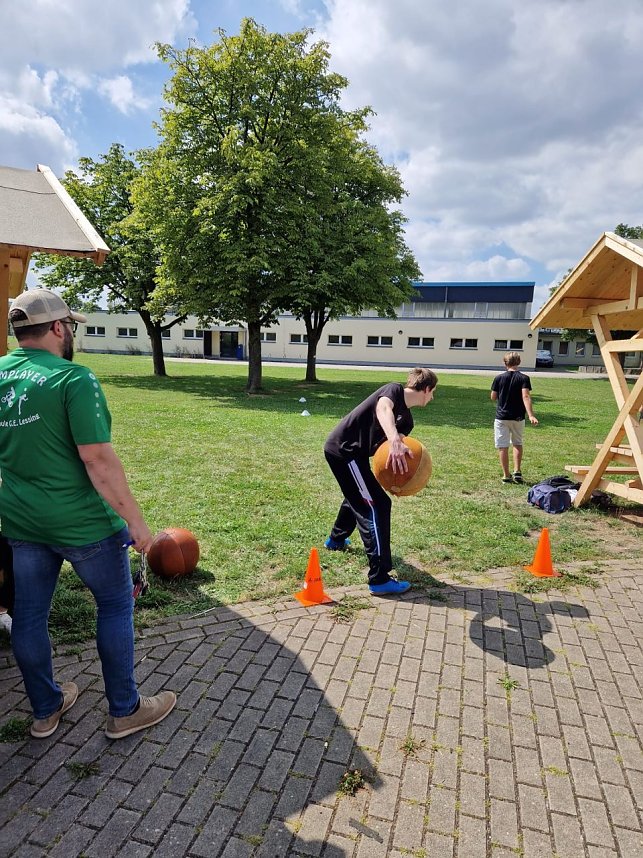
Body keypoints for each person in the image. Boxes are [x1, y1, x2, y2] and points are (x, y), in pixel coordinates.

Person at [0, 288, 176, 739]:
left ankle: (45, 709)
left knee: (30, 615)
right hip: (84, 524)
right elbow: (97, 459)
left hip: (21, 521)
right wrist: (136, 522)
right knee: (116, 605)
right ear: (59, 327)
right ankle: (125, 710)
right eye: (71, 326)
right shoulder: (74, 379)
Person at [323, 367, 438, 596]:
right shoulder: (392, 390)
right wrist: (394, 438)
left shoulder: (407, 422)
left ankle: (335, 540)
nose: (433, 397)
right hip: (343, 450)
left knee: (360, 494)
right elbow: (383, 408)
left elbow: (388, 453)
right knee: (376, 504)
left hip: (357, 455)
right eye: (433, 392)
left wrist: (397, 478)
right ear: (426, 389)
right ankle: (379, 578)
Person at [490, 351, 538, 484]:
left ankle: (506, 475)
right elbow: (526, 396)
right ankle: (517, 471)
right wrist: (531, 415)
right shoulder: (524, 378)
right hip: (518, 417)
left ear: (505, 363)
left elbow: (493, 397)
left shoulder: (499, 378)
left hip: (502, 417)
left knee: (502, 446)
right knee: (517, 443)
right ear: (519, 362)